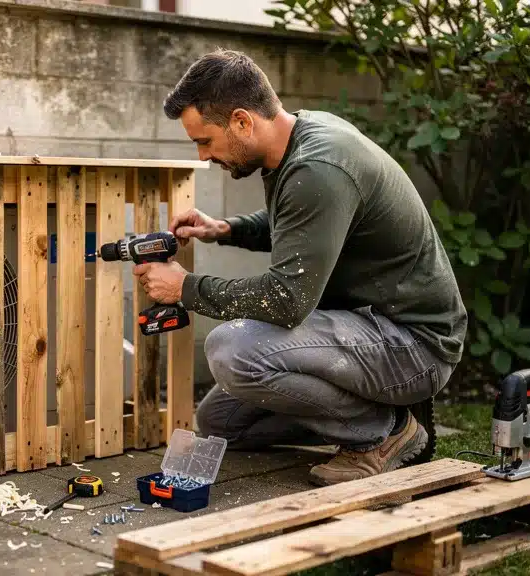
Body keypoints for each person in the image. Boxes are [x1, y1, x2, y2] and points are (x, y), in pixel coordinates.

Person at [132, 49, 468, 486]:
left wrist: (185, 288)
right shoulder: (299, 138)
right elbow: (300, 224)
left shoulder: (318, 168)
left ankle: (383, 433)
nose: (201, 156)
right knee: (221, 421)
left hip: (412, 344)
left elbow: (286, 300)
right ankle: (368, 416)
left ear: (241, 121)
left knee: (231, 351)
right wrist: (226, 229)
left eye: (205, 141)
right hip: (366, 329)